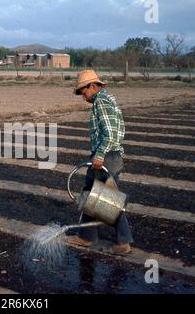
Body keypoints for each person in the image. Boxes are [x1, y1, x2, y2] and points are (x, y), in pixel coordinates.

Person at [68, 69, 133, 255]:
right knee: (90, 194)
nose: (83, 96)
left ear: (92, 86)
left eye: (83, 91)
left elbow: (111, 134)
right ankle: (87, 236)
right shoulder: (106, 99)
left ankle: (123, 242)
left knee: (108, 200)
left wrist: (100, 155)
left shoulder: (101, 102)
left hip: (107, 156)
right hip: (107, 155)